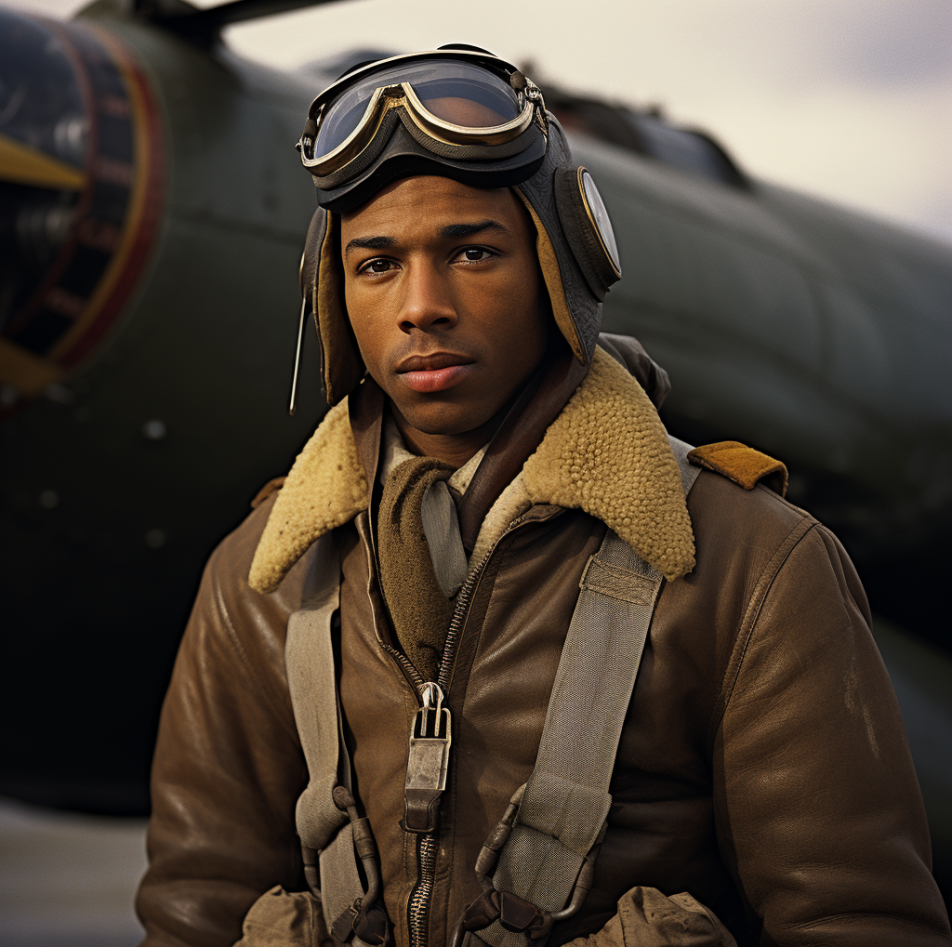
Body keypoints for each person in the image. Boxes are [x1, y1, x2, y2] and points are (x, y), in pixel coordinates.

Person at [135, 47, 951, 947]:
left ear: (562, 275)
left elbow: (855, 917)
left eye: (472, 252)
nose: (421, 306)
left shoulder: (746, 561)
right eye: (376, 265)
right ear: (334, 295)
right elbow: (194, 905)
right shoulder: (264, 578)